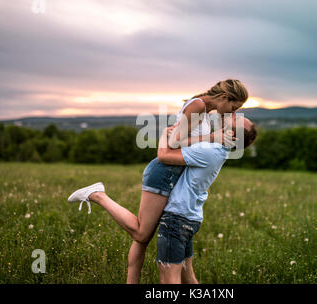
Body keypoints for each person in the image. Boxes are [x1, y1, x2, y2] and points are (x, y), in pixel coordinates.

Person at [67, 79, 249, 283]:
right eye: (235, 107)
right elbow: (173, 143)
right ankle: (98, 195)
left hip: (172, 172)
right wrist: (212, 137)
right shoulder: (198, 106)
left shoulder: (204, 109)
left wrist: (211, 137)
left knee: (142, 238)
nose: (234, 112)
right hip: (165, 172)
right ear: (224, 97)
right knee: (141, 233)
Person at [155, 114, 257, 284]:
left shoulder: (210, 151)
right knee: (189, 278)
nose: (233, 115)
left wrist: (165, 133)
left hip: (176, 219)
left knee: (169, 279)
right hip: (189, 218)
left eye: (236, 119)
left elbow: (164, 155)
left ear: (232, 135)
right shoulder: (215, 148)